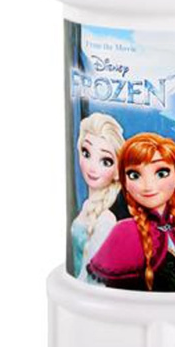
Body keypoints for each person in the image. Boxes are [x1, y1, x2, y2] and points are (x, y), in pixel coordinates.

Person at [87, 133, 175, 292]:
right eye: (134, 175)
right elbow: (96, 287)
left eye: (161, 173)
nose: (148, 185)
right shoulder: (123, 231)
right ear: (125, 184)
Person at [69, 113, 128, 279]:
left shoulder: (107, 219)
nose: (92, 168)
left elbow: (93, 276)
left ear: (117, 171)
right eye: (86, 153)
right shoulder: (88, 205)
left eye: (106, 161)